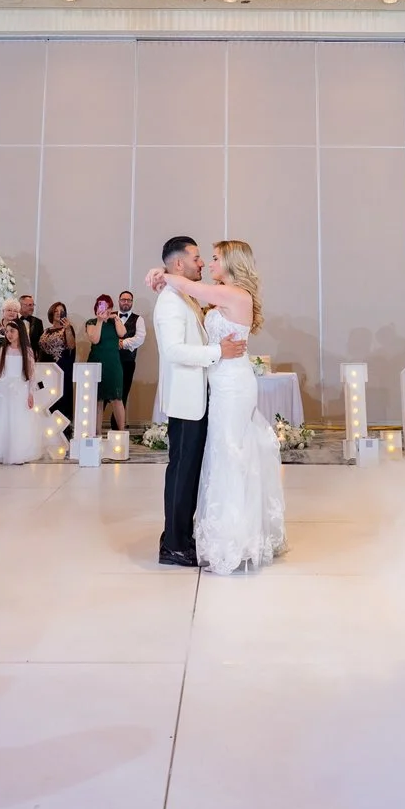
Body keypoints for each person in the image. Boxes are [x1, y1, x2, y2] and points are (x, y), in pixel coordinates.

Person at [150, 240, 286, 574]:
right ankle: (194, 539)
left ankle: (234, 537)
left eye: (213, 258)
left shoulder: (235, 295)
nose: (207, 263)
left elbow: (184, 282)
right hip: (215, 385)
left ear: (231, 262)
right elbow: (177, 343)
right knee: (218, 458)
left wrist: (161, 275)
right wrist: (164, 277)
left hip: (232, 385)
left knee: (231, 455)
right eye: (201, 258)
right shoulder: (205, 295)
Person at [151, 235, 247, 567]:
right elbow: (174, 351)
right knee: (181, 470)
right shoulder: (169, 302)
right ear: (178, 264)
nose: (202, 262)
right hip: (186, 398)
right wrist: (219, 352)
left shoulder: (183, 293)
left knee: (190, 470)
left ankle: (179, 534)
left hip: (199, 396)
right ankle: (174, 545)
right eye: (196, 258)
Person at [0, 305, 43, 465]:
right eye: (7, 332)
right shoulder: (2, 350)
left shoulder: (27, 351)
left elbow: (31, 375)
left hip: (20, 390)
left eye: (12, 332)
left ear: (20, 333)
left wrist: (31, 393)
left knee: (17, 422)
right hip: (3, 389)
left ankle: (16, 453)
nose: (9, 335)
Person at [86, 293, 130, 431]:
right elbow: (95, 339)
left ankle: (122, 432)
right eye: (102, 305)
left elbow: (122, 333)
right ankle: (96, 434)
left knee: (117, 399)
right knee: (98, 400)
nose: (105, 309)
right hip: (96, 362)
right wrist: (100, 320)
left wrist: (116, 318)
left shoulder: (114, 322)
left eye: (108, 306)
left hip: (113, 364)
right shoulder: (91, 322)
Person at [40, 301, 78, 425]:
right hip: (46, 370)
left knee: (61, 397)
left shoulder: (67, 329)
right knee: (47, 399)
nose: (58, 313)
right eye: (56, 311)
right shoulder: (46, 330)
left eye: (61, 311)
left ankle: (63, 427)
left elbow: (71, 345)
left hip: (62, 369)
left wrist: (67, 328)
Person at [116, 289, 144, 409]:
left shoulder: (138, 319)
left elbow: (139, 339)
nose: (126, 302)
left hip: (128, 362)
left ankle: (117, 425)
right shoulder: (110, 316)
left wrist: (123, 343)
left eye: (128, 300)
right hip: (110, 361)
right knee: (105, 394)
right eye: (123, 300)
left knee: (123, 393)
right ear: (119, 301)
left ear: (132, 302)